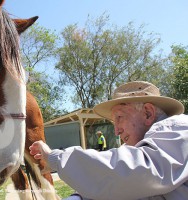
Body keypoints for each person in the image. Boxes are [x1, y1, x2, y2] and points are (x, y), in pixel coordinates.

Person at [29, 81, 188, 200]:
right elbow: (123, 187)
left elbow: (136, 171)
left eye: (120, 118)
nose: (117, 130)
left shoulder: (179, 128)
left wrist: (55, 158)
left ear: (147, 113)